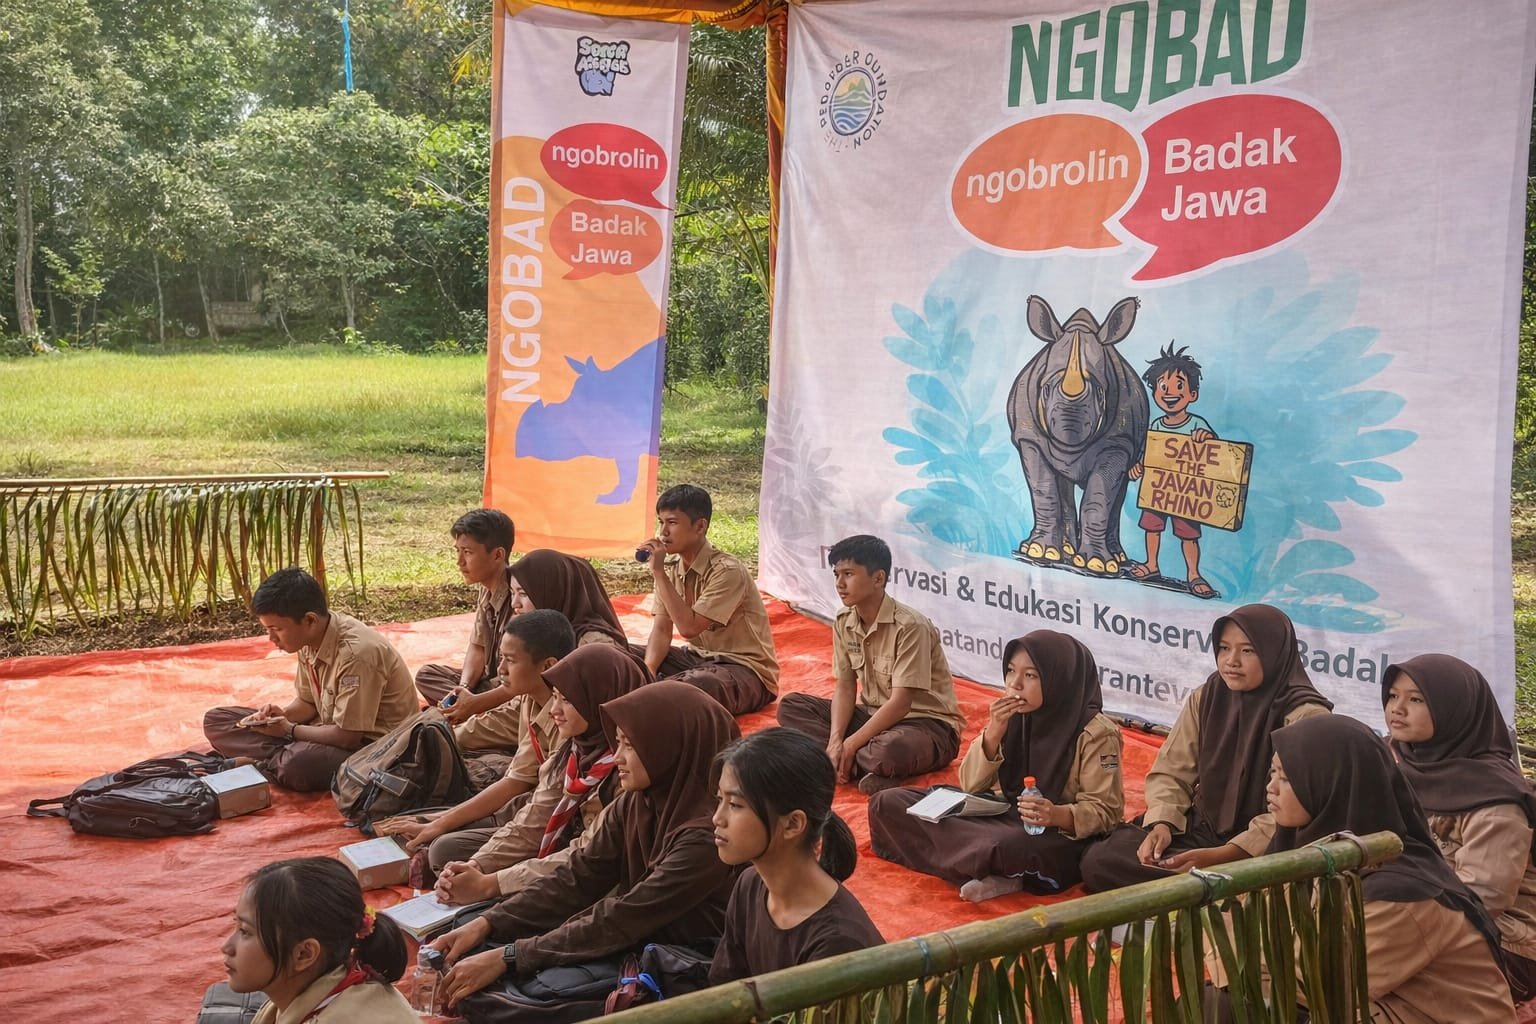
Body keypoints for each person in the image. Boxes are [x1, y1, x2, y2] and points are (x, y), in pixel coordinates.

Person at [431, 682, 740, 1016]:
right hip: (626, 929)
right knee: (471, 928)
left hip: (676, 955)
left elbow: (626, 916)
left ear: (669, 747)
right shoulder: (638, 802)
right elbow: (578, 876)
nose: (617, 757)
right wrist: (489, 923)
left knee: (532, 995)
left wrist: (511, 955)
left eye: (629, 746)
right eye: (617, 743)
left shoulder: (707, 834)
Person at [1266, 714, 1514, 1022]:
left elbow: (1319, 980)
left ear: (1334, 784)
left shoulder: (1400, 893)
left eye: (1287, 779)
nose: (1271, 788)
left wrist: (1222, 948)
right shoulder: (1302, 846)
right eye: (1272, 772)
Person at [1079, 604, 1332, 890]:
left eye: (1247, 651)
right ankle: (1202, 888)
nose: (1231, 661)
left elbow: (1295, 811)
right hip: (1204, 826)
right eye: (1224, 648)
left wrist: (1224, 855)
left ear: (1275, 653)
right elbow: (1172, 770)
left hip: (1264, 844)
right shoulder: (1209, 696)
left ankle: (1207, 889)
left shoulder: (1306, 716)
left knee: (1271, 885)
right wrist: (1162, 823)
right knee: (1100, 860)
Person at [866, 629, 1123, 900]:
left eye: (1031, 675)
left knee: (1003, 846)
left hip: (1051, 833)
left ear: (1059, 679)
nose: (1015, 684)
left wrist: (1056, 814)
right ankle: (987, 869)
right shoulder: (1012, 714)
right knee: (888, 802)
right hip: (999, 811)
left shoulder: (1096, 732)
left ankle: (999, 871)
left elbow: (1106, 811)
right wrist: (994, 732)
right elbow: (970, 784)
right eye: (1011, 671)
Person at [428, 644, 650, 898]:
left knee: (491, 909)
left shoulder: (630, 768)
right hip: (560, 850)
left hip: (595, 877)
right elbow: (535, 818)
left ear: (599, 699)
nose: (554, 709)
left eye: (567, 700)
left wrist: (493, 883)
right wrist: (476, 865)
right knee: (448, 854)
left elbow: (586, 855)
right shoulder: (575, 749)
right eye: (554, 696)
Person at [1384, 653, 1536, 1001]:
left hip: (1502, 941)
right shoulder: (1396, 762)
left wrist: (1391, 918)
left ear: (1455, 710)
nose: (1398, 708)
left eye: (1416, 699)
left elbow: (1481, 898)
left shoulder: (1495, 796)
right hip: (1417, 918)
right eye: (1393, 696)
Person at [777, 534, 963, 795]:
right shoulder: (844, 620)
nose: (840, 584)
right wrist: (835, 741)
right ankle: (859, 765)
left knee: (890, 750)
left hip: (924, 725)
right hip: (874, 718)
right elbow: (845, 686)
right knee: (792, 706)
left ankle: (854, 762)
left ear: (878, 578)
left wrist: (851, 744)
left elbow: (901, 704)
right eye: (836, 574)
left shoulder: (911, 626)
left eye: (849, 574)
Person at [382, 610, 577, 857]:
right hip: (530, 802)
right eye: (501, 659)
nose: (501, 669)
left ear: (548, 665)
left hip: (557, 820)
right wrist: (439, 821)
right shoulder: (531, 700)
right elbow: (517, 779)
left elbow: (542, 809)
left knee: (443, 848)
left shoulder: (569, 717)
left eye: (511, 661)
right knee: (422, 826)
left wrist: (476, 865)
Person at [203, 568, 418, 791]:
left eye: (277, 629)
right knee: (217, 720)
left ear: (309, 620)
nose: (271, 638)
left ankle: (266, 764)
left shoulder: (357, 655)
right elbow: (307, 703)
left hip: (373, 750)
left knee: (299, 764)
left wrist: (289, 730)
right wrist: (279, 716)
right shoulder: (309, 639)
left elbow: (348, 737)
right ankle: (273, 761)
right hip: (323, 731)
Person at [709, 728, 883, 983]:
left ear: (792, 824)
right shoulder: (750, 884)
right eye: (719, 800)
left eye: (735, 805)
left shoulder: (837, 943)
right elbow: (723, 989)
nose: (717, 818)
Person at [450, 548, 633, 752]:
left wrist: (476, 708)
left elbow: (588, 717)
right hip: (541, 717)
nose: (515, 604)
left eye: (524, 594)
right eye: (512, 593)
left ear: (552, 592)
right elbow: (521, 707)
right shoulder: (536, 639)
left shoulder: (593, 646)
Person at [639, 484, 780, 716]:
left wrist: (659, 573)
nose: (663, 532)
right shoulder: (672, 570)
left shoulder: (727, 571)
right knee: (619, 657)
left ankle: (659, 695)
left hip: (744, 670)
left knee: (690, 687)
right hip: (697, 660)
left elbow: (689, 627)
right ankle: (654, 690)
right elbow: (662, 629)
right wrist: (646, 670)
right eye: (661, 521)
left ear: (700, 526)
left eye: (672, 523)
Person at [222, 856, 416, 1023]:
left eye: (245, 932)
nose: (226, 947)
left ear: (303, 954)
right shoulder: (338, 983)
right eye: (236, 925)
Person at [1128, 344, 1218, 598]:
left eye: (1178, 386)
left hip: (1185, 494)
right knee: (1152, 527)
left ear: (1192, 394)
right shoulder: (1156, 424)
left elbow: (1215, 455)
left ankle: (1193, 574)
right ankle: (1151, 564)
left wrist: (1206, 438)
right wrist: (1139, 467)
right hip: (1158, 491)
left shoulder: (1197, 424)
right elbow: (1150, 454)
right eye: (1162, 387)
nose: (1169, 393)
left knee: (1188, 535)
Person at [415, 508, 518, 706]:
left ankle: (473, 710)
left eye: (468, 553)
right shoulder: (485, 589)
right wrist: (464, 689)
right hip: (486, 682)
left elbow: (518, 674)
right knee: (427, 675)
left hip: (508, 686)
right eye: (458, 551)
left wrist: (475, 700)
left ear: (497, 555)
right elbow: (477, 646)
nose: (459, 562)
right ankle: (466, 707)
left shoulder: (518, 597)